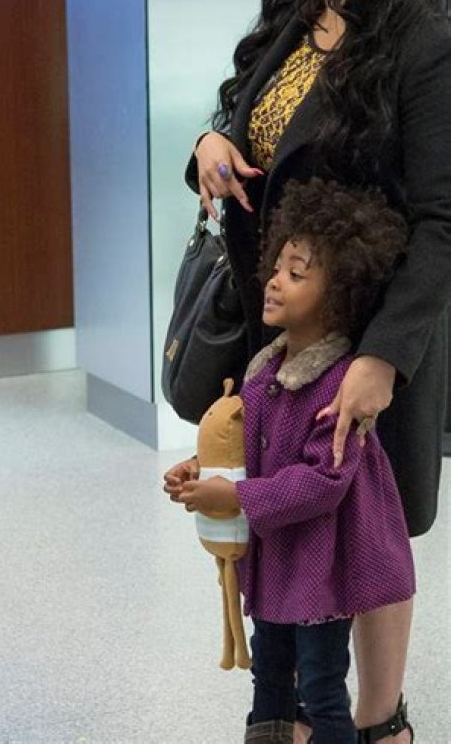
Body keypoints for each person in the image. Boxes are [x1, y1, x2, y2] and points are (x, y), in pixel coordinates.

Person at [174, 0, 451, 743]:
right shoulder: (296, 16)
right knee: (290, 513)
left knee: (368, 528)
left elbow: (443, 220)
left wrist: (383, 360)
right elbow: (243, 118)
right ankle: (295, 708)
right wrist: (210, 142)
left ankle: (380, 721)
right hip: (280, 327)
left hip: (368, 336)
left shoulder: (424, 43)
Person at [166, 178, 415, 744]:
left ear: (339, 296)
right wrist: (202, 469)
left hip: (320, 574)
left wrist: (236, 497)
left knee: (322, 687)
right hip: (276, 566)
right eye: (277, 267)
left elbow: (324, 482)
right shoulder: (264, 371)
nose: (274, 280)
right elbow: (250, 447)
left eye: (296, 274)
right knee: (270, 674)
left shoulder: (340, 388)